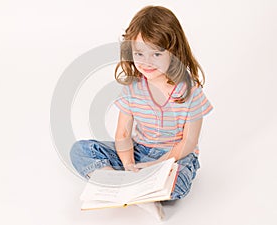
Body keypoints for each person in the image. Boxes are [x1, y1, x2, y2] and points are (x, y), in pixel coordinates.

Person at [70, 5, 213, 220]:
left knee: (178, 184)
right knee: (80, 150)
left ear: (174, 52)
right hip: (138, 151)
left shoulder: (190, 92)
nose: (146, 62)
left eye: (156, 53)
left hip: (174, 157)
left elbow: (188, 142)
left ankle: (145, 190)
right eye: (139, 53)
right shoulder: (132, 89)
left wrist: (155, 166)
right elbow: (123, 135)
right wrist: (129, 165)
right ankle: (124, 185)